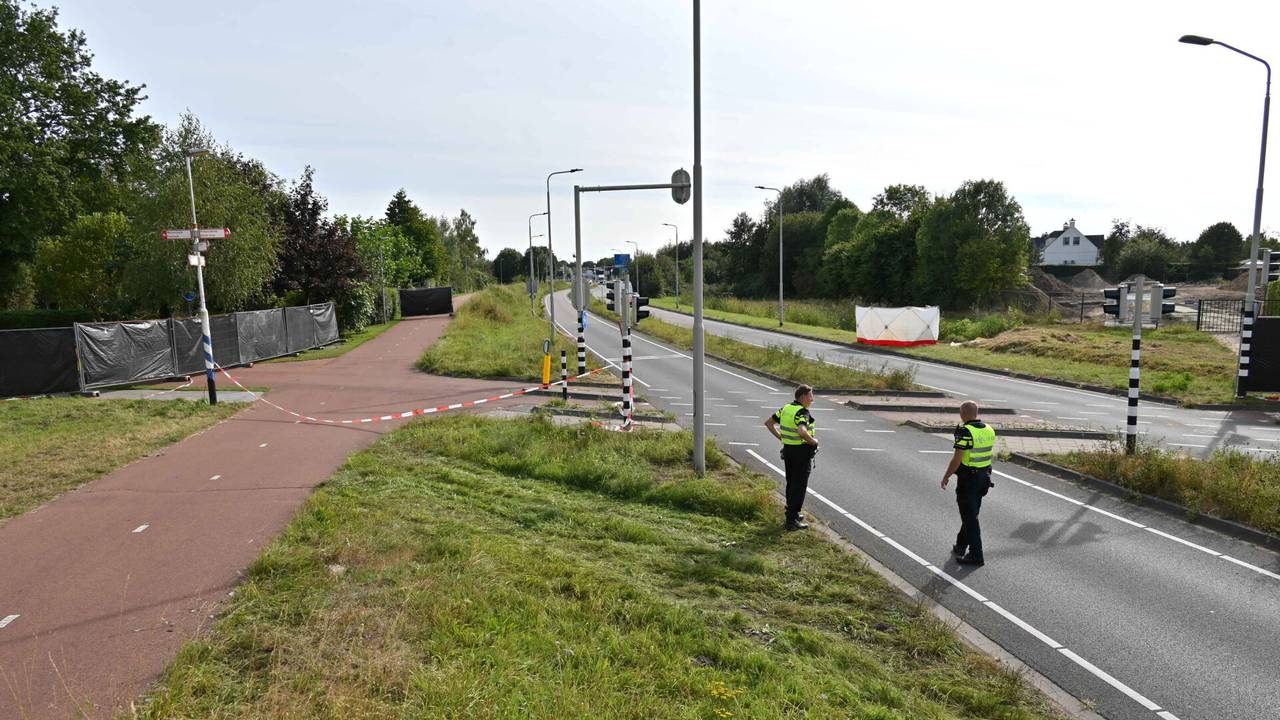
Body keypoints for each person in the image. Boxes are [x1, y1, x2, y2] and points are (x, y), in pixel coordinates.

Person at [941, 400, 996, 566]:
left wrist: (946, 476)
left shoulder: (965, 431)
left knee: (970, 518)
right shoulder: (988, 429)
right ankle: (960, 546)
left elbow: (957, 459)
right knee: (971, 514)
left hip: (968, 480)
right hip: (984, 478)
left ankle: (976, 555)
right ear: (976, 413)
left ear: (962, 413)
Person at [765, 384, 819, 531]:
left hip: (788, 451)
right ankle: (791, 521)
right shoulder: (802, 412)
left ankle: (792, 513)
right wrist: (814, 442)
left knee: (791, 483)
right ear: (803, 396)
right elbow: (802, 431)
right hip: (801, 453)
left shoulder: (786, 408)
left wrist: (782, 438)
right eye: (811, 395)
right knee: (799, 486)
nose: (812, 399)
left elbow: (769, 423)